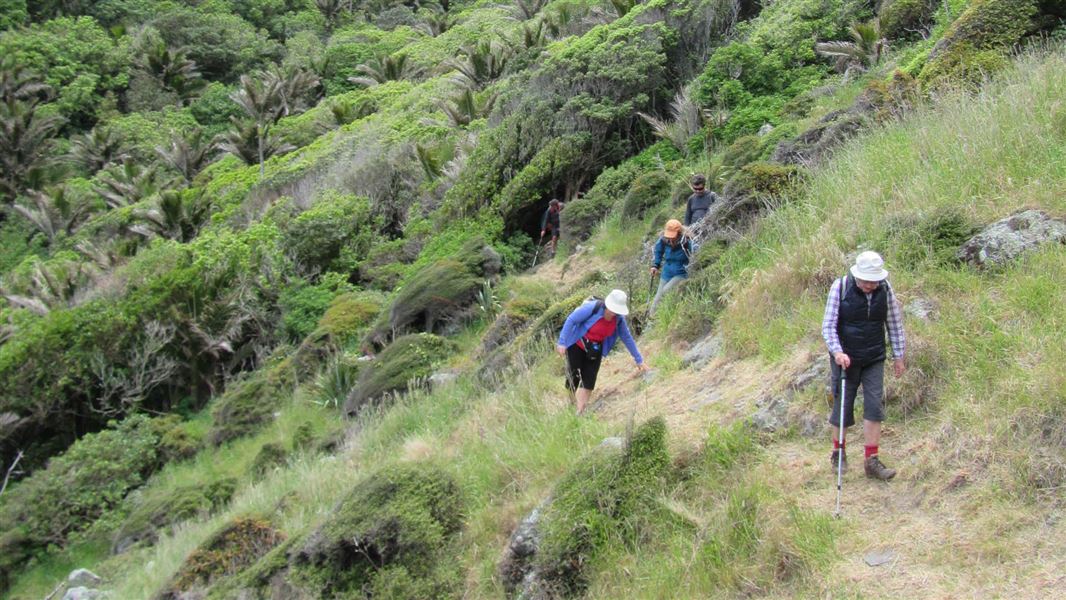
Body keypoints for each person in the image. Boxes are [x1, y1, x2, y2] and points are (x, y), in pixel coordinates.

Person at [822, 251, 906, 481]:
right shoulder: (839, 287)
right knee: (843, 405)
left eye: (874, 281)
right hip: (846, 358)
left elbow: (894, 323)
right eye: (867, 280)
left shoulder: (885, 289)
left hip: (874, 357)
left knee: (874, 405)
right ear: (857, 276)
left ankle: (872, 461)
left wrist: (899, 356)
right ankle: (838, 453)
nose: (871, 285)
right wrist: (837, 351)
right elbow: (828, 326)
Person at [556, 289, 649, 415]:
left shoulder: (619, 320)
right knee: (573, 377)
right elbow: (572, 319)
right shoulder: (593, 308)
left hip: (595, 349)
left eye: (616, 310)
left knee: (589, 380)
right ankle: (571, 403)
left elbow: (627, 338)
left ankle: (579, 412)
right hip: (577, 345)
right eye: (612, 309)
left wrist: (639, 360)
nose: (613, 313)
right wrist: (562, 342)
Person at [649, 219, 695, 316]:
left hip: (681, 272)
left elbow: (695, 252)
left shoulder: (686, 241)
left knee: (666, 291)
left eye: (672, 235)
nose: (670, 238)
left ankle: (667, 314)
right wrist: (655, 265)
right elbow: (658, 252)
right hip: (667, 272)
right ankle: (651, 322)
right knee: (656, 300)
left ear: (679, 232)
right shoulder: (663, 240)